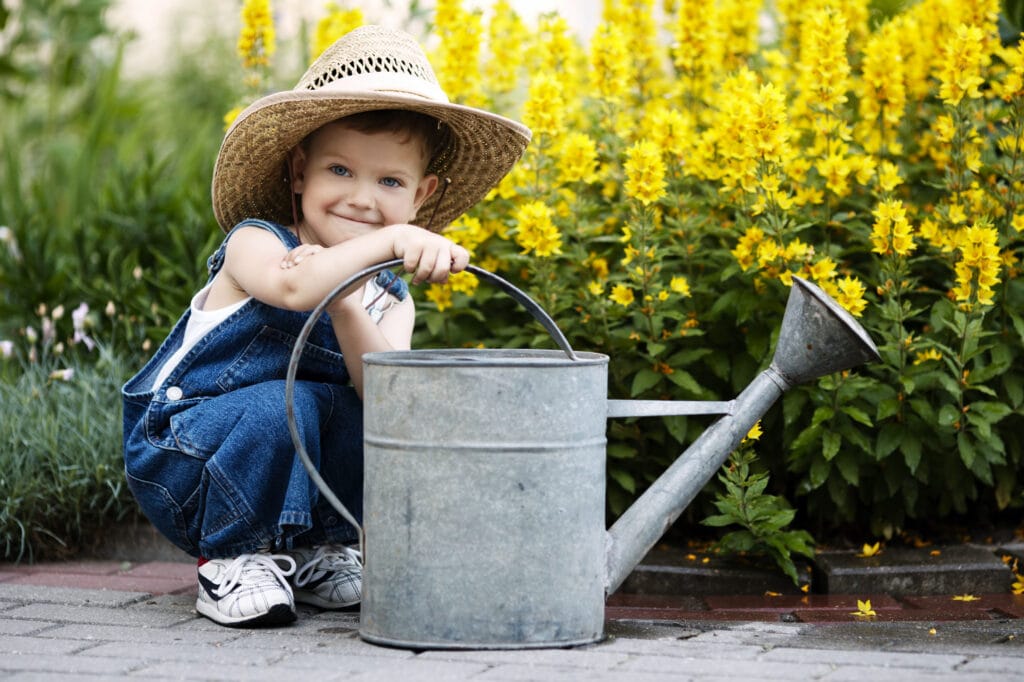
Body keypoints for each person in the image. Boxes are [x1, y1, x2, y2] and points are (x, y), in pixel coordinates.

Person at [121, 25, 531, 627]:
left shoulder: (391, 299)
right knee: (278, 406)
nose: (362, 199)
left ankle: (317, 549)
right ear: (298, 174)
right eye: (340, 170)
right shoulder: (257, 244)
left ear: (423, 196)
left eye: (389, 182)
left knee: (364, 411)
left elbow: (384, 397)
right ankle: (229, 560)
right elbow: (292, 288)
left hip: (289, 478)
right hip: (185, 462)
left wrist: (348, 305)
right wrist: (390, 241)